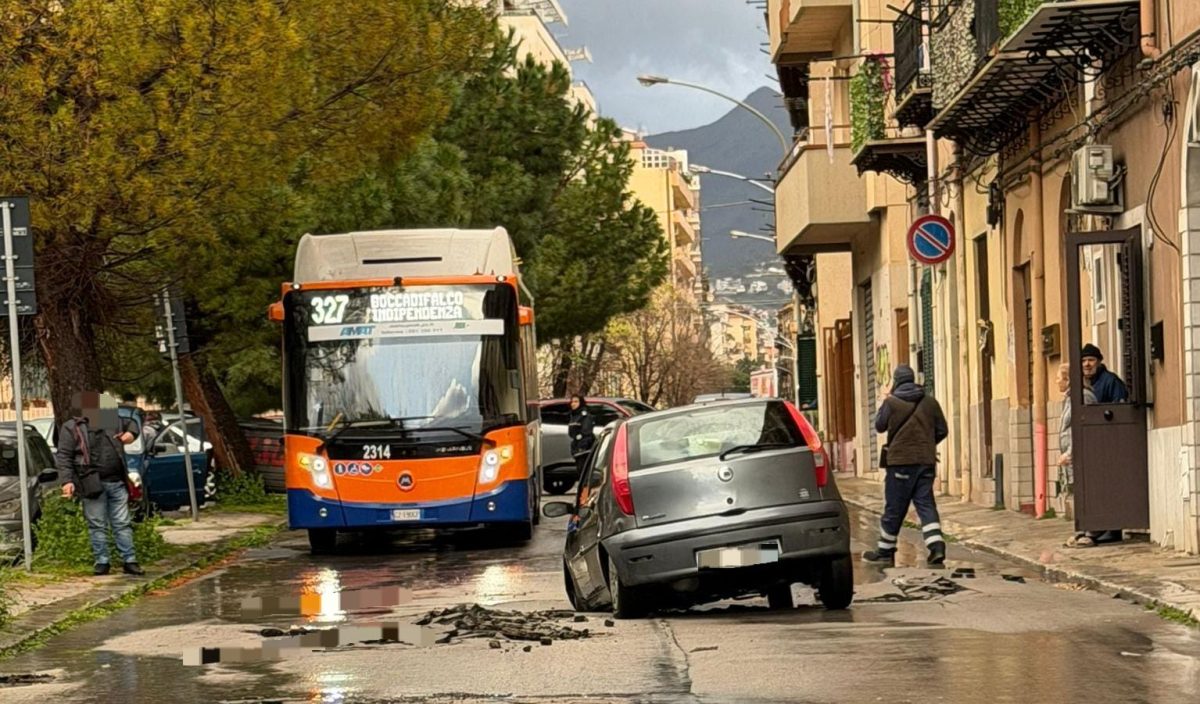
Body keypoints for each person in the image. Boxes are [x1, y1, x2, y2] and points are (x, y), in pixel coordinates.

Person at [863, 365, 950, 567]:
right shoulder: (930, 402)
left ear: (897, 381)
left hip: (900, 463)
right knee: (925, 503)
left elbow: (879, 425)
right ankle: (936, 546)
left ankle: (885, 550)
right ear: (913, 379)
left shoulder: (891, 402)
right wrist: (927, 444)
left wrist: (886, 402)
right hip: (926, 462)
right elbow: (942, 430)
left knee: (895, 506)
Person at [55, 392, 145, 576]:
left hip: (117, 481)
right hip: (91, 483)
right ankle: (102, 562)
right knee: (97, 524)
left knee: (122, 523)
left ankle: (130, 561)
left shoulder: (113, 421)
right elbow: (64, 456)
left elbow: (133, 423)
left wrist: (131, 433)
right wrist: (67, 481)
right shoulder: (72, 427)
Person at [567, 395, 595, 480]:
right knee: (580, 470)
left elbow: (586, 432)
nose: (573, 404)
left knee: (584, 470)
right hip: (577, 446)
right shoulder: (573, 415)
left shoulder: (584, 415)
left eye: (576, 401)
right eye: (572, 402)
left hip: (584, 447)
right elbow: (571, 432)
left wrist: (582, 447)